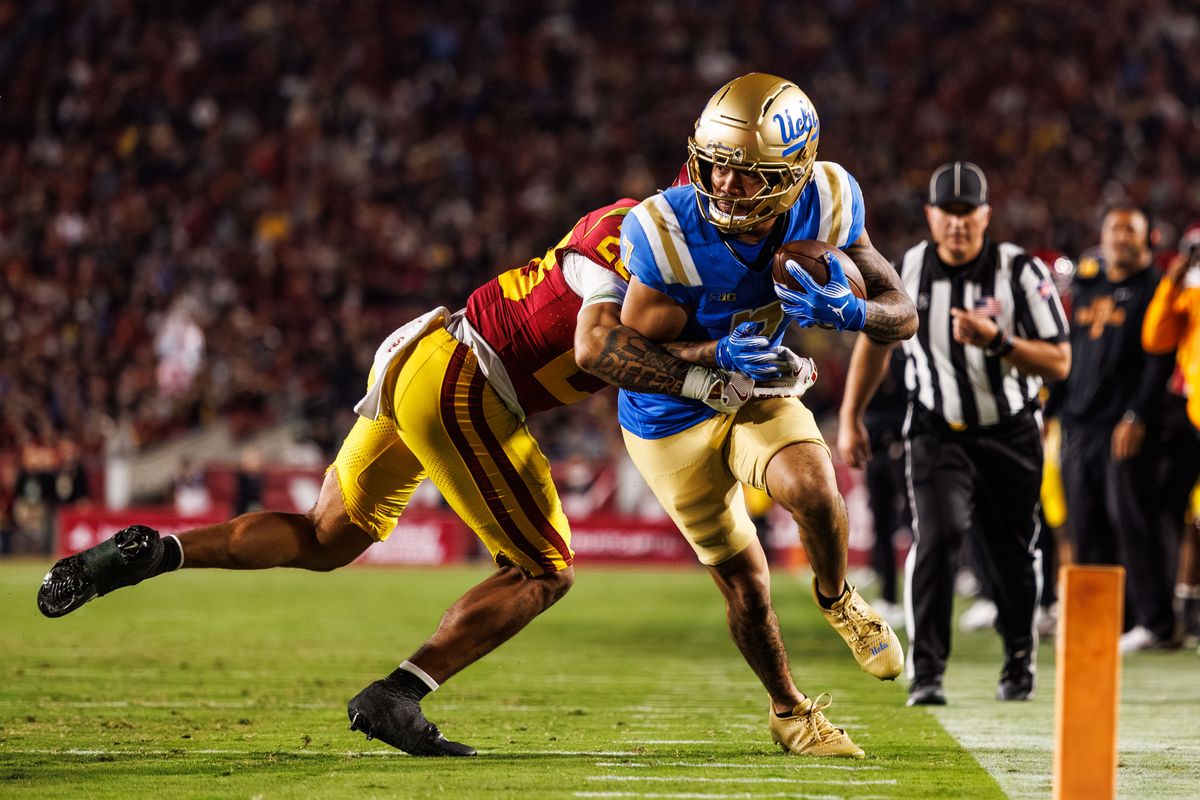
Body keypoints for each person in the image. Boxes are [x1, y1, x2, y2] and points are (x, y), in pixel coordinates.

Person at [36, 199, 757, 757]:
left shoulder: (657, 242)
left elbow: (649, 338)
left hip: (430, 352)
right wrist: (711, 375)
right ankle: (397, 695)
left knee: (327, 536)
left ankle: (158, 551)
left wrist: (720, 357)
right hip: (471, 380)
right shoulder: (634, 236)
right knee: (546, 568)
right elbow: (602, 348)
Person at [617, 73, 917, 759]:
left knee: (815, 487)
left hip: (756, 394)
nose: (722, 184)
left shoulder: (830, 201)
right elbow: (624, 347)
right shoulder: (667, 228)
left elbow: (903, 311)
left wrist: (856, 313)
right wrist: (712, 353)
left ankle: (838, 596)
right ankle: (790, 713)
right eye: (716, 164)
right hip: (668, 417)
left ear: (794, 174)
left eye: (746, 174)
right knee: (747, 585)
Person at [838, 161, 1070, 707]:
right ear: (931, 216)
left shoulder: (1019, 271)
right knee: (937, 538)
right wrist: (851, 415)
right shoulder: (908, 269)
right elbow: (876, 341)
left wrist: (1000, 344)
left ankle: (1018, 658)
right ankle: (928, 673)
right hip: (937, 430)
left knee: (1010, 552)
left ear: (986, 216)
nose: (959, 225)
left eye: (969, 214)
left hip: (1010, 430)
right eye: (949, 213)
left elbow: (1059, 360)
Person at [1052, 207, 1176, 652]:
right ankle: (1101, 621)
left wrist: (1138, 415)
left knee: (1133, 521)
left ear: (1149, 238)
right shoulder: (1088, 285)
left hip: (1122, 425)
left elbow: (1158, 360)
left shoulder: (1155, 288)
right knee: (1086, 524)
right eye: (1113, 229)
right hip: (1079, 424)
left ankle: (1156, 622)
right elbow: (1072, 349)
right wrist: (1058, 407)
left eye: (1131, 230)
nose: (1120, 238)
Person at [1143, 223, 1200, 650]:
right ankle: (1187, 608)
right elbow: (1156, 337)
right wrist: (1173, 282)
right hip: (1191, 419)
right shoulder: (1189, 289)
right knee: (1186, 517)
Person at [861, 346, 910, 624]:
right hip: (876, 452)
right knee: (881, 524)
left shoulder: (905, 358)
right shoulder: (868, 355)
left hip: (902, 449)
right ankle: (888, 594)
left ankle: (915, 595)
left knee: (915, 526)